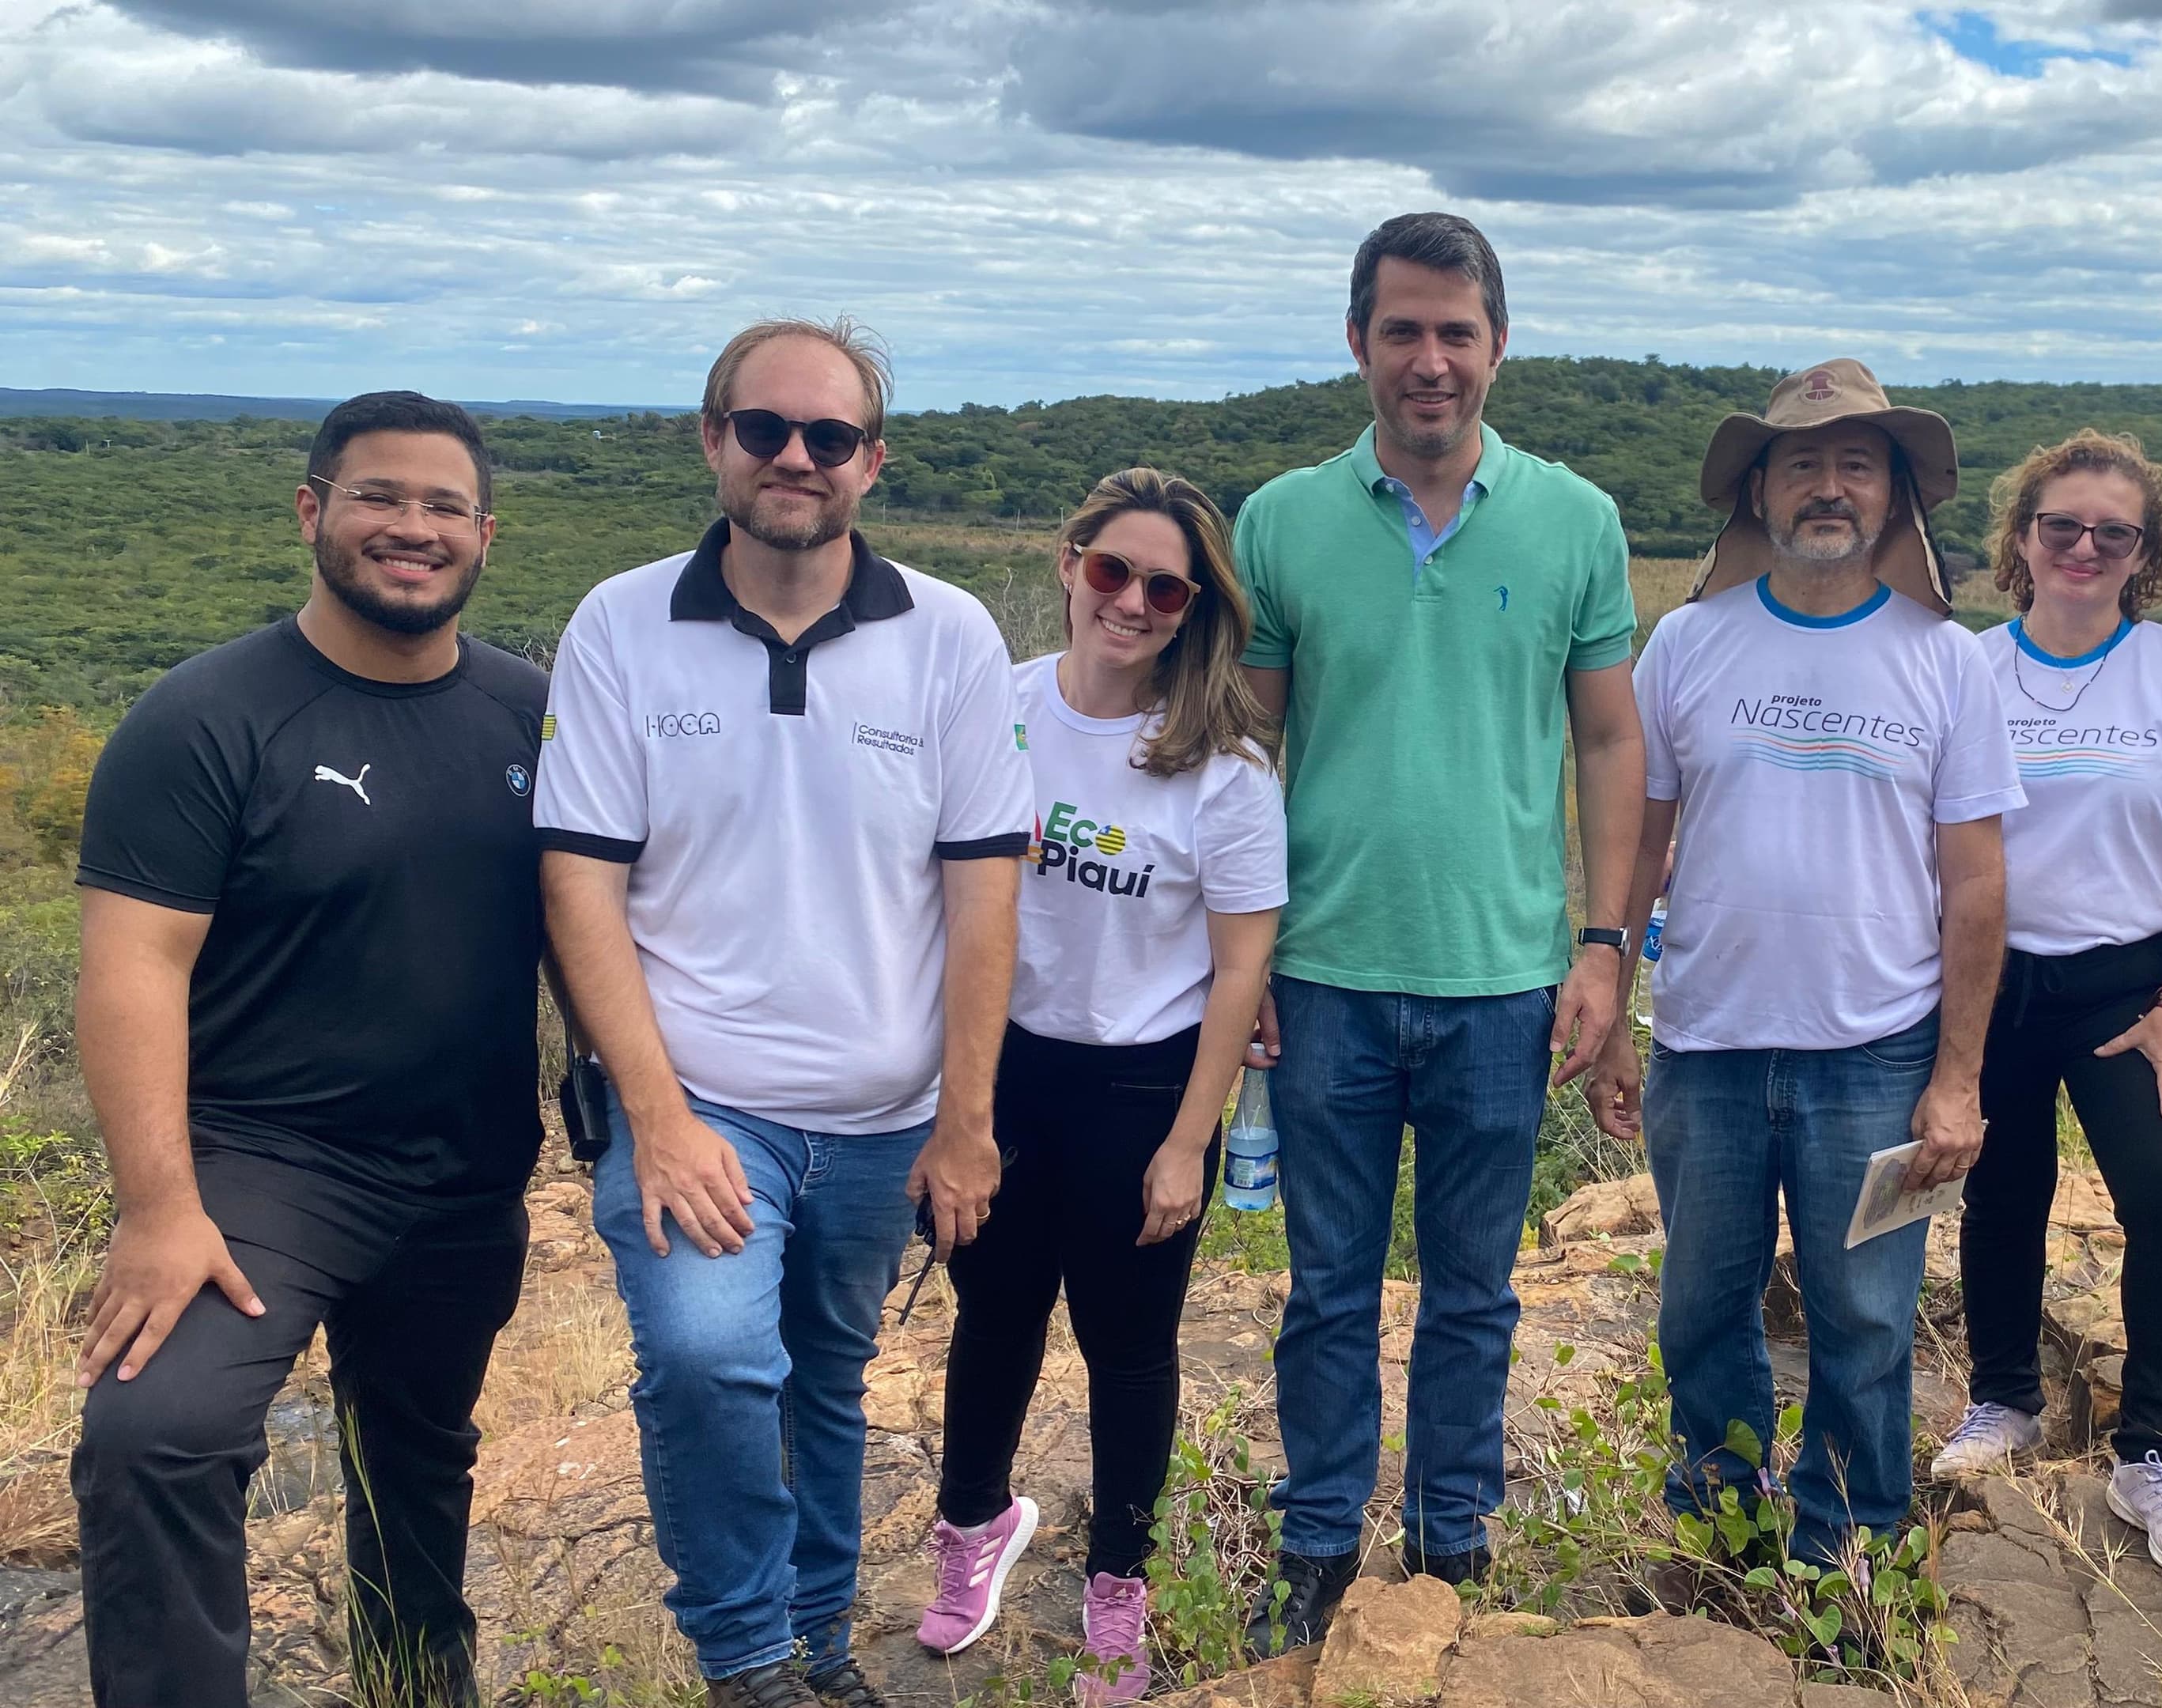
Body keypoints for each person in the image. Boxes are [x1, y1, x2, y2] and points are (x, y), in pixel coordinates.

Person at [535, 319, 1031, 1708]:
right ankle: (748, 1656)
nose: (795, 458)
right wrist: (656, 1116)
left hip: (883, 1119)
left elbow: (984, 899)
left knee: (824, 1380)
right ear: (714, 440)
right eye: (764, 429)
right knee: (705, 1361)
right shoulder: (622, 624)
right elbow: (581, 884)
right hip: (702, 1103)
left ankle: (818, 1641)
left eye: (829, 437)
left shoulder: (950, 636)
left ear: (873, 460)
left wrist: (966, 1123)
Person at [67, 391, 546, 1708]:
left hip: (467, 1169)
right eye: (379, 496)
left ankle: (413, 1686)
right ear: (313, 511)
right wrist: (157, 1208)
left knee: (417, 1454)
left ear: (486, 533)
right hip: (263, 1166)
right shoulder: (208, 715)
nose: (413, 528)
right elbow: (131, 968)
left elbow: (611, 932)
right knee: (158, 1437)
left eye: (444, 506)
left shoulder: (532, 714)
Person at [1234, 211, 1646, 1650]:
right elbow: (1249, 753)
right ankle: (1320, 1543)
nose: (1429, 360)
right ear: (1357, 343)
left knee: (1476, 1292)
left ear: (1498, 348)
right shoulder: (1281, 519)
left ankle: (1451, 1543)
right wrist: (1246, 964)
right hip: (1326, 974)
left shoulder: (1577, 519)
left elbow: (1608, 745)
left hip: (1504, 977)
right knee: (1327, 1291)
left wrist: (1605, 946)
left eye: (1456, 333)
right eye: (1401, 330)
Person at [1592, 359, 2016, 1576]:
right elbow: (1642, 841)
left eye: (1856, 464)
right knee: (1701, 1314)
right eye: (1802, 464)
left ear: (1893, 494)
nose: (1829, 487)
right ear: (1760, 491)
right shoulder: (1685, 643)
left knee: (1869, 1323)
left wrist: (1959, 1078)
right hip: (1709, 1046)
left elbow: (1977, 886)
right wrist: (1614, 1006)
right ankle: (1723, 1537)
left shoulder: (1949, 659)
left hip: (1879, 1056)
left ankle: (1849, 1556)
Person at [917, 469, 1283, 1702]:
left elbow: (1240, 972)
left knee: (1129, 1348)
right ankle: (974, 1529)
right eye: (1112, 570)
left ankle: (1118, 1586)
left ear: (1193, 609)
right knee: (996, 1315)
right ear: (1071, 562)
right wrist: (945, 1101)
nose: (1131, 602)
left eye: (1164, 587)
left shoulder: (1223, 768)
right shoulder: (994, 706)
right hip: (1000, 1069)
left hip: (1140, 1083)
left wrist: (1191, 1142)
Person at [1929, 430, 2162, 1580]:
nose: (2083, 546)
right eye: (2060, 525)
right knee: (2001, 1193)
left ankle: (2155, 1449)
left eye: (2111, 533)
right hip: (1994, 976)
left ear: (2144, 554)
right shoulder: (1963, 667)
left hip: (2133, 980)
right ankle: (2006, 1397)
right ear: (2022, 540)